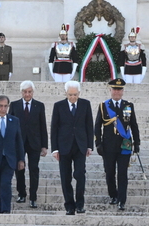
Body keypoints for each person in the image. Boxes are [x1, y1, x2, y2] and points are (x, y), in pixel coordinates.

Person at [95, 77, 141, 211]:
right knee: (109, 172)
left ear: (123, 91)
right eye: (115, 89)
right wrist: (98, 143)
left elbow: (134, 125)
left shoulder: (128, 106)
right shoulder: (104, 106)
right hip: (108, 146)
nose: (117, 92)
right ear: (110, 90)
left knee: (122, 173)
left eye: (119, 89)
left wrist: (136, 143)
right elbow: (97, 126)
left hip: (124, 145)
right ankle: (113, 195)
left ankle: (122, 200)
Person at [50, 80, 93, 215]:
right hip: (64, 147)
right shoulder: (58, 106)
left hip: (80, 146)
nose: (73, 97)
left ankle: (80, 204)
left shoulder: (85, 104)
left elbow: (89, 126)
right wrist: (55, 149)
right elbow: (54, 128)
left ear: (79, 93)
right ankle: (69, 206)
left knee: (80, 175)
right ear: (66, 93)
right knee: (65, 177)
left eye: (75, 95)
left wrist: (90, 146)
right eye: (70, 95)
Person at [9, 80, 48, 208]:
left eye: (29, 92)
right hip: (18, 143)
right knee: (19, 169)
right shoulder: (14, 105)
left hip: (34, 143)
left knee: (33, 169)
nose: (27, 94)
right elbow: (10, 125)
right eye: (25, 92)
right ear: (21, 92)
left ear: (33, 92)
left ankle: (33, 197)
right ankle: (21, 193)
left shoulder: (39, 105)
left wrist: (44, 145)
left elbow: (43, 126)